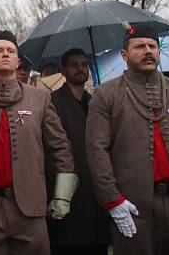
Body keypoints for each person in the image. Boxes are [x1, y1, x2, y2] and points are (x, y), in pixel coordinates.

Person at [86, 23, 169, 255]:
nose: (148, 51)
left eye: (152, 46)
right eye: (139, 46)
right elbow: (96, 150)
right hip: (133, 208)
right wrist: (112, 200)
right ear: (124, 54)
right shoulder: (105, 95)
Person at [0, 30, 77, 255]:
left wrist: (63, 196)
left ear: (18, 61)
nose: (5, 54)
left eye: (10, 51)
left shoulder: (40, 98)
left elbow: (61, 148)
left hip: (30, 207)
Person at [47, 48, 110, 255]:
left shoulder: (97, 101)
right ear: (63, 70)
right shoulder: (52, 102)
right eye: (74, 65)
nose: (81, 69)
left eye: (84, 64)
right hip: (67, 186)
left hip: (96, 188)